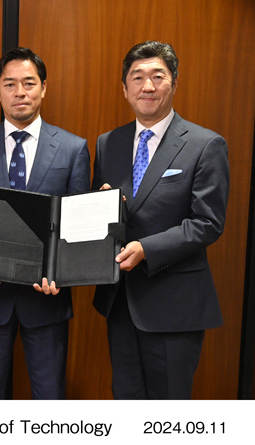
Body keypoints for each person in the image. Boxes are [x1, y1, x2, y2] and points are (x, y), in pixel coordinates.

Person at [92, 41, 229, 399]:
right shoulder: (109, 143)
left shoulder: (204, 144)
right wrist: (102, 206)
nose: (147, 86)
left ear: (174, 82)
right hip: (119, 300)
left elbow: (208, 222)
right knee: (126, 400)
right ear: (125, 88)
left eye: (158, 76)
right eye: (137, 77)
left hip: (174, 304)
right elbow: (102, 214)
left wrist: (147, 248)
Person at [0, 47, 91, 399]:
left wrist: (64, 272)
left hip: (47, 298)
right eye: (10, 84)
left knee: (50, 399)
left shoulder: (73, 149)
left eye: (29, 83)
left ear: (43, 88)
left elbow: (76, 226)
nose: (20, 92)